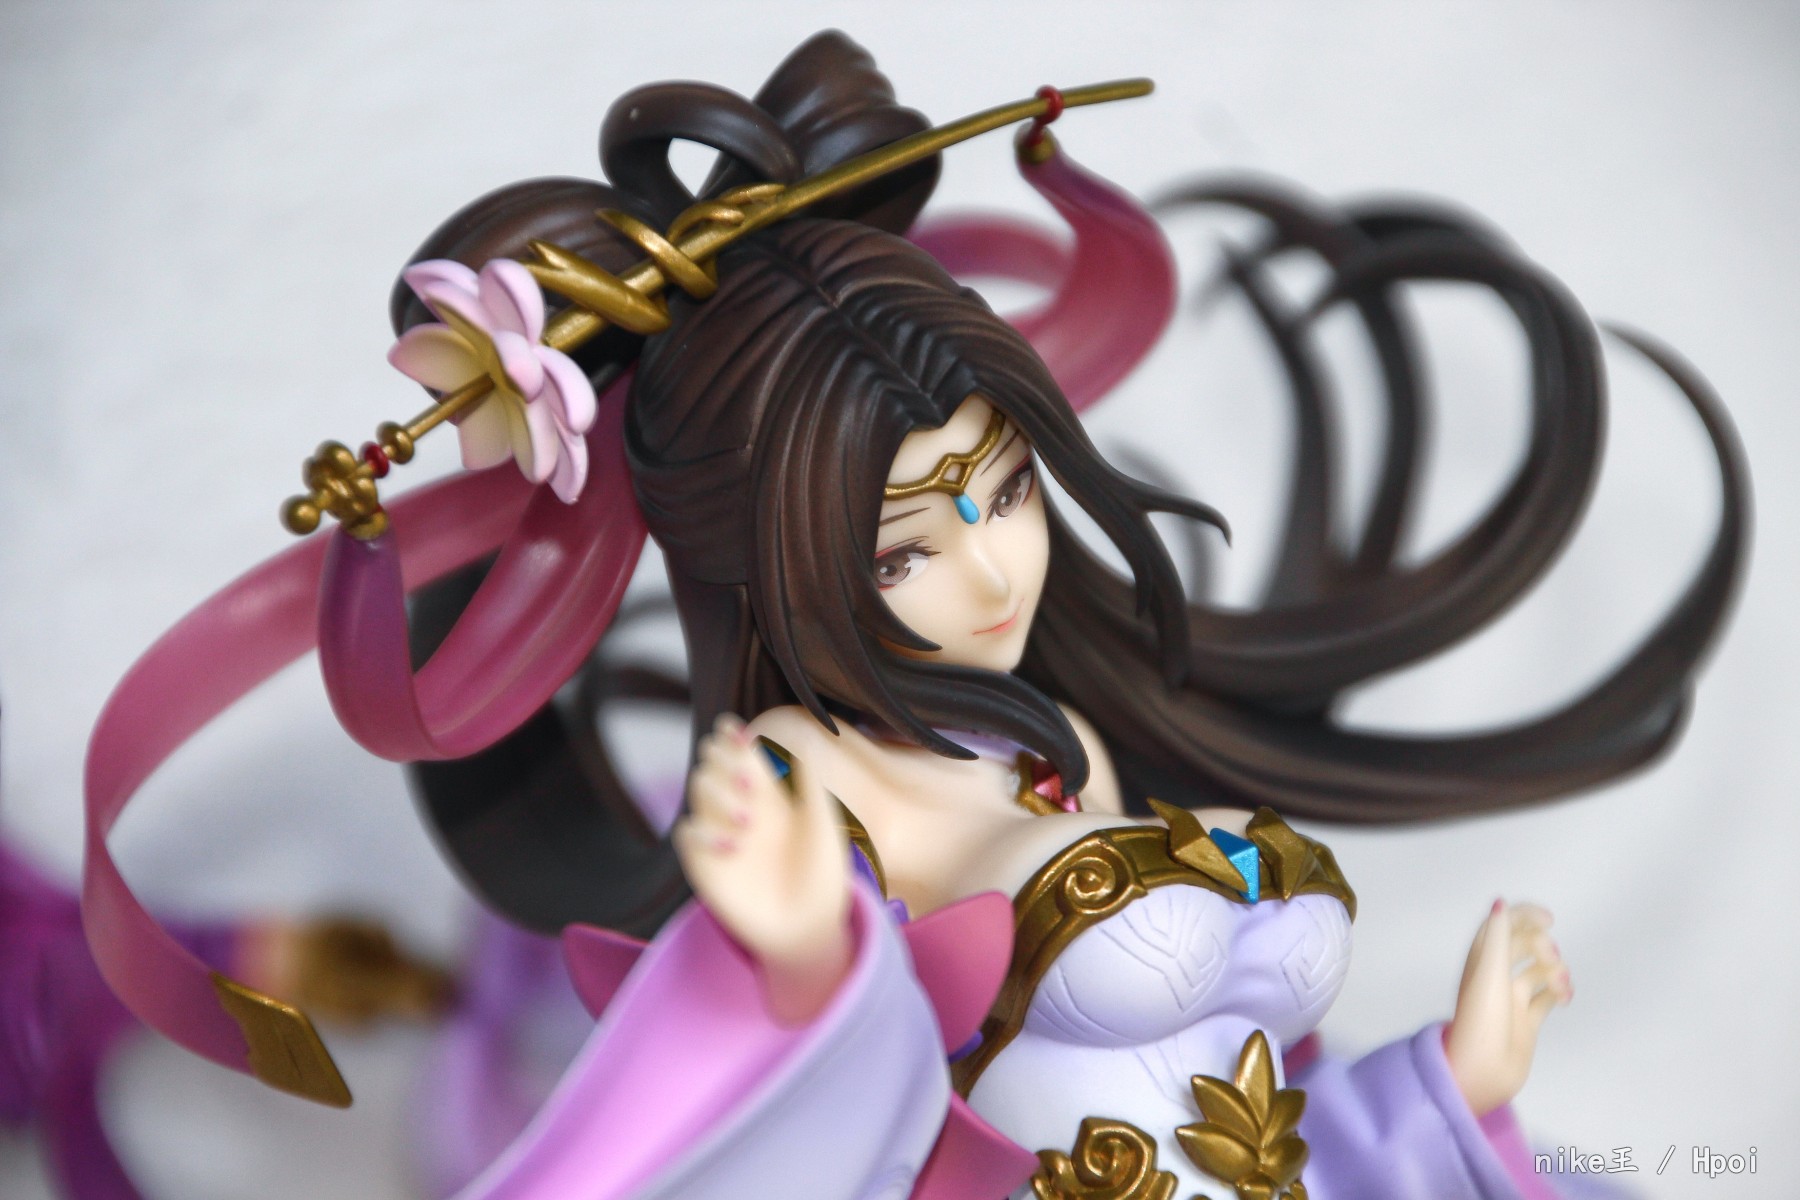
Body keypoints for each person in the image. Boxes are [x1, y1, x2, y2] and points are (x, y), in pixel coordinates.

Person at [81, 30, 1745, 1200]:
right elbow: (845, 1097)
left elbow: (1233, 1098)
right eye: (903, 552)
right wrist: (802, 964)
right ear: (780, 562)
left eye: (1004, 492)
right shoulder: (810, 777)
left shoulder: (1054, 729)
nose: (997, 574)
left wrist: (1451, 1084)